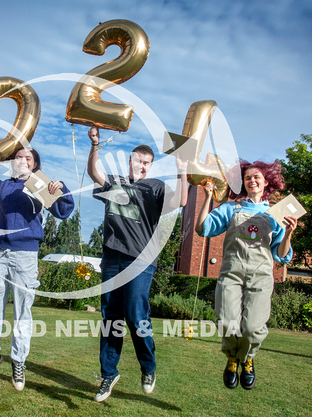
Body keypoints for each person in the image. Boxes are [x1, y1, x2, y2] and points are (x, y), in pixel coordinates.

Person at [87, 126, 188, 402]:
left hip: (141, 261)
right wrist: (95, 145)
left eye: (146, 163)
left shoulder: (155, 188)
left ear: (150, 166)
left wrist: (182, 170)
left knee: (135, 314)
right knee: (110, 318)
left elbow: (181, 200)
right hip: (111, 259)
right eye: (137, 161)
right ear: (129, 161)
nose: (141, 166)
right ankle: (108, 374)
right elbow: (94, 173)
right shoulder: (115, 182)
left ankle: (148, 366)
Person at [0, 147, 74, 391]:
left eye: (27, 157)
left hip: (26, 254)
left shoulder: (39, 185)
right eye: (18, 157)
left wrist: (61, 189)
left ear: (35, 164)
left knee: (22, 311)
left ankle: (18, 361)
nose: (22, 160)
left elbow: (64, 211)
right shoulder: (5, 186)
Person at [194, 160, 297, 390]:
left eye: (257, 177)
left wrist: (288, 233)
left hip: (261, 276)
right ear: (244, 184)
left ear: (266, 182)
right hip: (232, 273)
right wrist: (208, 197)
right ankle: (232, 359)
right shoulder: (232, 208)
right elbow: (202, 228)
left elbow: (281, 256)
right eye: (248, 178)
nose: (252, 181)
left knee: (251, 327)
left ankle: (247, 359)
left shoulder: (275, 214)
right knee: (228, 323)